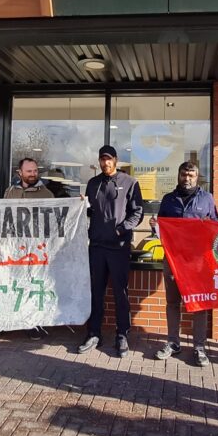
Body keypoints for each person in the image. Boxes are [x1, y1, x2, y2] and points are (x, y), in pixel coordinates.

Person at [150, 162, 218, 367]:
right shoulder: (168, 200)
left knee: (199, 303)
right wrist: (154, 227)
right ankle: (173, 343)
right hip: (173, 260)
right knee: (172, 303)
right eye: (183, 174)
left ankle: (199, 347)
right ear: (178, 175)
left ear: (197, 177)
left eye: (191, 175)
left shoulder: (207, 199)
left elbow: (216, 226)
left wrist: (209, 227)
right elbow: (161, 229)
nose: (187, 178)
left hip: (197, 262)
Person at [78, 145, 143, 358]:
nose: (105, 163)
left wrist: (121, 229)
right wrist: (79, 206)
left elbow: (137, 213)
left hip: (119, 248)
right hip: (96, 247)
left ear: (116, 160)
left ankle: (122, 334)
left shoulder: (130, 182)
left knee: (120, 293)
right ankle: (93, 333)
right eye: (102, 160)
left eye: (109, 159)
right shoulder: (93, 183)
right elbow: (90, 211)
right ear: (99, 161)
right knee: (96, 292)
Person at [4, 157, 54, 340]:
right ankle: (12, 321)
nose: (33, 174)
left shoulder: (47, 194)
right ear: (20, 173)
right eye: (29, 171)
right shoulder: (10, 191)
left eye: (35, 171)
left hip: (36, 250)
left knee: (34, 285)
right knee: (14, 284)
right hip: (14, 249)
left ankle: (34, 323)